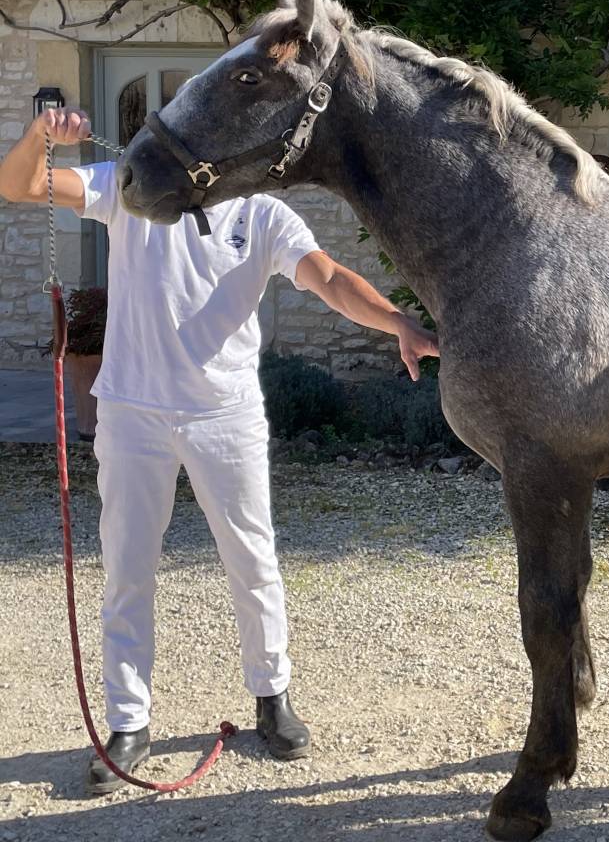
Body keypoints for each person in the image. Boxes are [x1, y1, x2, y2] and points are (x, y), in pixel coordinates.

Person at [0, 107, 438, 793]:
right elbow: (20, 186)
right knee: (126, 570)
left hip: (225, 415)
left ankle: (273, 698)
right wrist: (40, 139)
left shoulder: (265, 216)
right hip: (131, 412)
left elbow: (326, 276)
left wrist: (395, 322)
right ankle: (128, 722)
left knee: (252, 560)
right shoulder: (129, 184)